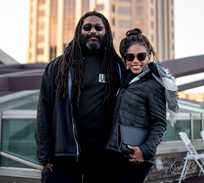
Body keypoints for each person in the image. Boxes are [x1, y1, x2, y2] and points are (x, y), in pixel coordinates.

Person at [35, 11, 126, 183]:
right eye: (87, 27)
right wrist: (44, 153)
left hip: (103, 154)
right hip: (64, 153)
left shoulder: (117, 67)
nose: (93, 31)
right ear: (79, 31)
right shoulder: (58, 67)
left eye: (99, 27)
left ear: (107, 32)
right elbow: (43, 111)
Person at [106, 28, 178, 183]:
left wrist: (144, 151)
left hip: (138, 156)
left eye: (141, 56)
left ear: (149, 57)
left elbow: (159, 124)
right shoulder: (125, 81)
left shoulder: (153, 85)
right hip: (119, 152)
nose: (135, 61)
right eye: (130, 56)